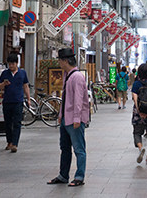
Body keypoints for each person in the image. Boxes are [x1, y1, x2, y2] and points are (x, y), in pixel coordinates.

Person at [47, 48, 89, 187]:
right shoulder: (68, 75)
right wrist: (61, 115)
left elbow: (78, 100)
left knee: (78, 148)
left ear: (65, 61)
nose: (58, 62)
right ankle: (63, 175)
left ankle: (79, 176)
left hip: (74, 120)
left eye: (59, 60)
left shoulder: (76, 77)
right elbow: (66, 99)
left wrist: (77, 118)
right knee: (65, 148)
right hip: (66, 118)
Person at [0, 53, 30, 153]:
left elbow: (25, 86)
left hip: (18, 101)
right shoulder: (5, 73)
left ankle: (15, 144)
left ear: (17, 63)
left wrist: (28, 99)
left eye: (12, 64)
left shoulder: (22, 73)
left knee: (17, 123)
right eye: (9, 64)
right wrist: (4, 84)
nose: (11, 66)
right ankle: (9, 141)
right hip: (7, 101)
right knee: (8, 123)